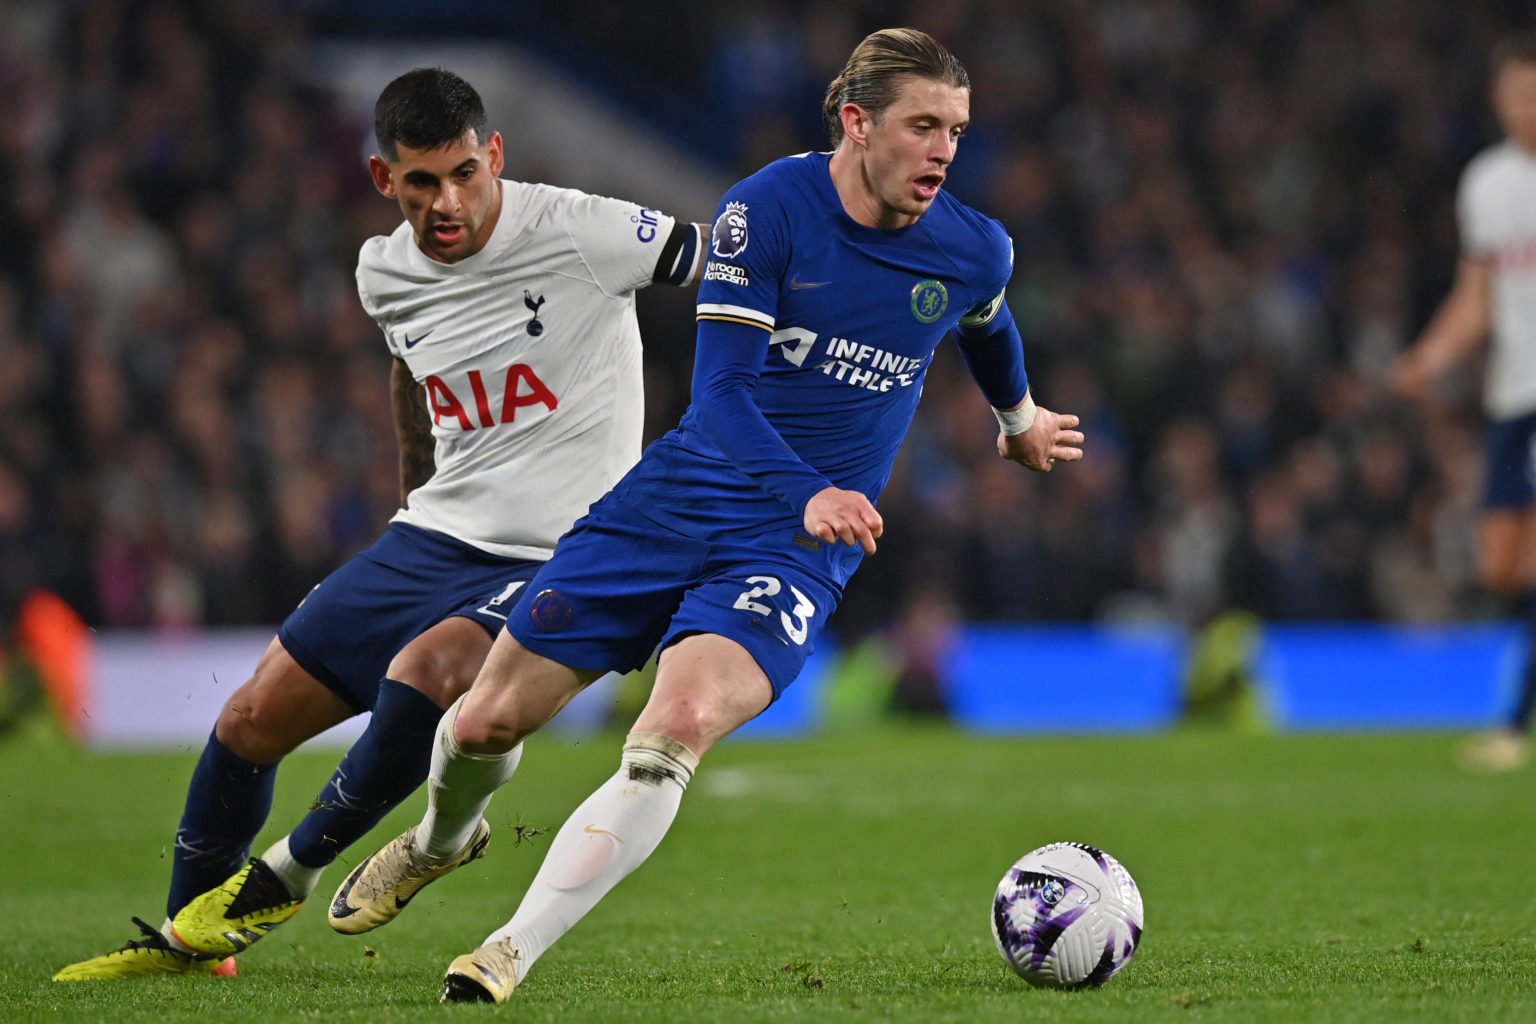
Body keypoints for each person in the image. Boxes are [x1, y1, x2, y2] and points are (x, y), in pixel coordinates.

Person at [337, 28, 1085, 1004]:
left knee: (674, 728)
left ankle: (507, 950)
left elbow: (986, 320)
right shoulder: (764, 213)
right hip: (683, 495)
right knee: (483, 721)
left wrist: (1018, 416)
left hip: (793, 547)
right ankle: (442, 839)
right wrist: (807, 485)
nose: (945, 149)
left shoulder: (974, 246)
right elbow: (723, 395)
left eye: (957, 128)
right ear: (856, 124)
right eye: (923, 126)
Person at [53, 67, 705, 981]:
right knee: (248, 718)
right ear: (381, 179)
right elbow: (410, 372)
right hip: (435, 535)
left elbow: (729, 269)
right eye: (423, 182)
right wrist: (413, 490)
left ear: (496, 158)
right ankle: (191, 950)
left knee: (427, 668)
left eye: (466, 174)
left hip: (567, 545)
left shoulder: (582, 230)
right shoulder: (382, 271)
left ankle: (288, 875)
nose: (448, 201)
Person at [1394, 34, 1536, 774]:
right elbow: (1478, 296)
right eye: (1517, 95)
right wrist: (1430, 357)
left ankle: (1512, 725)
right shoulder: (1489, 183)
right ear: (1498, 100)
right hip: (1513, 393)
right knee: (1503, 568)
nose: (1527, 108)